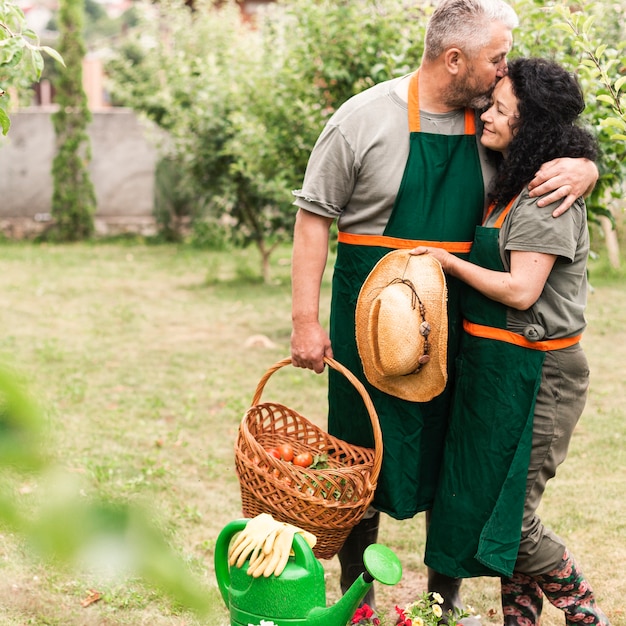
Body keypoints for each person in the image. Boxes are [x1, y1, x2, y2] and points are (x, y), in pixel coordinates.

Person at [290, 0, 599, 617]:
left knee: (453, 465)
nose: (503, 70)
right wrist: (304, 319)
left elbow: (548, 145)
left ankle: (441, 603)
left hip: (463, 325)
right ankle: (358, 602)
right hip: (367, 320)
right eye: (496, 58)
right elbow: (313, 218)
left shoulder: (490, 118)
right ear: (455, 60)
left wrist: (587, 164)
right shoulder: (361, 120)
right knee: (360, 460)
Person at [416, 57, 610, 625]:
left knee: (511, 523)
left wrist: (447, 264)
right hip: (498, 368)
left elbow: (523, 290)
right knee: (492, 507)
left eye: (502, 111)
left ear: (532, 129)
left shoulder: (544, 196)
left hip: (538, 374)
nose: (487, 117)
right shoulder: (513, 180)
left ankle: (582, 609)